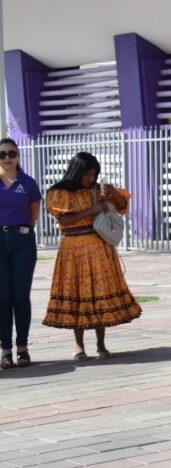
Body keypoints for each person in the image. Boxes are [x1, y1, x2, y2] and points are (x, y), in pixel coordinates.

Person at [42, 152, 141, 359]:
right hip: (73, 250)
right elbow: (66, 221)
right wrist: (92, 210)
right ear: (77, 172)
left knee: (98, 294)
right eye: (87, 174)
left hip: (99, 248)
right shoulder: (59, 192)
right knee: (78, 294)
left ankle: (101, 344)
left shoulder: (97, 191)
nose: (91, 178)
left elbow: (122, 206)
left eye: (94, 174)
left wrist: (112, 191)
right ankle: (79, 346)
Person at [0, 138, 42, 370]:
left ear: (18, 155)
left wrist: (20, 228)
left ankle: (22, 348)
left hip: (22, 241)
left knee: (20, 296)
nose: (7, 158)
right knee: (2, 297)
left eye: (11, 153)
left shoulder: (27, 182)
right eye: (2, 154)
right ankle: (5, 350)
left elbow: (34, 210)